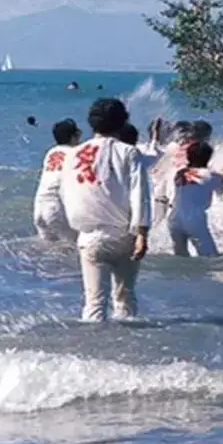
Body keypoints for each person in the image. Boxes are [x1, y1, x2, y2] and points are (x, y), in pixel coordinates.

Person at [60, 98, 151, 321]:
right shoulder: (129, 152)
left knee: (93, 303)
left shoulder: (72, 154)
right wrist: (142, 233)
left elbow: (65, 193)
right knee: (125, 299)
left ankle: (91, 350)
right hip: (124, 235)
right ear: (122, 122)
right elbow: (141, 194)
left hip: (89, 236)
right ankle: (126, 348)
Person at [168, 141, 223, 257]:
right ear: (209, 157)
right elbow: (221, 192)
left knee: (180, 257)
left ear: (188, 156)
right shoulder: (212, 176)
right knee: (211, 257)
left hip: (173, 218)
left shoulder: (179, 173)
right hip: (194, 220)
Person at [33, 118, 81, 242]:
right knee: (74, 248)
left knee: (49, 253)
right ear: (73, 136)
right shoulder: (76, 153)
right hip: (56, 210)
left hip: (39, 209)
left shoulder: (51, 153)